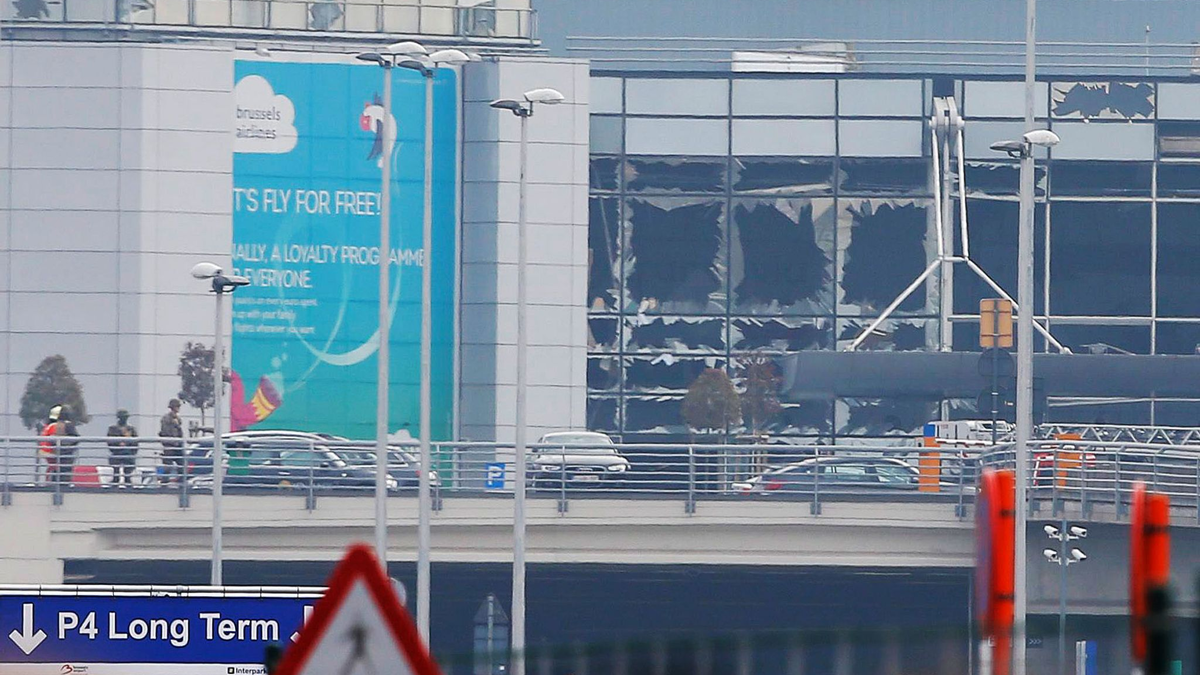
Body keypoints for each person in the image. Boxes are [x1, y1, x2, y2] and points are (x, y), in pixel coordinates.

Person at [49, 405, 81, 487]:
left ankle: (55, 485)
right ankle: (63, 486)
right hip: (67, 453)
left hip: (57, 452)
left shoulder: (55, 425)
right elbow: (76, 438)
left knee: (57, 470)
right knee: (65, 472)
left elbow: (51, 438)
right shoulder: (68, 425)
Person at [106, 409, 139, 487]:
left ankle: (127, 479)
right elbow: (109, 441)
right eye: (122, 417)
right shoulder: (113, 428)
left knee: (128, 469)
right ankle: (116, 479)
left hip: (128, 453)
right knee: (116, 468)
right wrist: (118, 444)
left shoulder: (131, 429)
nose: (124, 419)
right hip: (116, 452)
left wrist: (129, 446)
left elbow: (136, 441)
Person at [158, 399, 184, 485]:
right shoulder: (166, 418)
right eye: (177, 406)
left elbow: (179, 431)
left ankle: (181, 481)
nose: (178, 408)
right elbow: (165, 431)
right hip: (169, 444)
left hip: (177, 444)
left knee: (181, 463)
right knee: (168, 465)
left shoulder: (177, 418)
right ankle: (164, 481)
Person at [38, 405, 62, 485]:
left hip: (44, 450)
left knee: (51, 467)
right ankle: (51, 483)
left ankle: (48, 482)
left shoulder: (47, 426)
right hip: (50, 452)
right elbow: (54, 440)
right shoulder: (55, 426)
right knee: (56, 468)